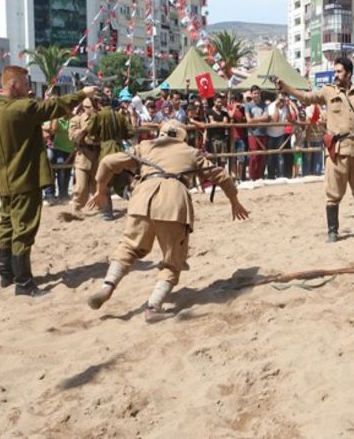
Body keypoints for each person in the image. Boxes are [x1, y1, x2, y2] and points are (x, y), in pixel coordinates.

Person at [85, 120, 249, 322]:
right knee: (173, 259)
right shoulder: (191, 152)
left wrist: (101, 191)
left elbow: (108, 162)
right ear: (182, 136)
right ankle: (153, 306)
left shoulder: (145, 146)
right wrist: (234, 201)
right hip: (173, 201)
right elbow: (221, 176)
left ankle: (107, 286)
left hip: (142, 197)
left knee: (128, 247)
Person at [0, 66, 95, 296]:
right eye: (25, 83)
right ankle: (24, 282)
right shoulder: (23, 108)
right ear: (14, 85)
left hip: (3, 180)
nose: (28, 87)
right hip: (24, 178)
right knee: (24, 229)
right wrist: (83, 93)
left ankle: (6, 274)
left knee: (7, 225)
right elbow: (54, 106)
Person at [277, 56, 354, 242]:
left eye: (339, 71)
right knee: (333, 193)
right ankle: (332, 232)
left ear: (348, 73)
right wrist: (286, 87)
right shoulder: (327, 91)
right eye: (335, 71)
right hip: (336, 150)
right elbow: (306, 98)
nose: (336, 75)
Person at [69, 98, 102, 216]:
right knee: (81, 187)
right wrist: (85, 128)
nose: (92, 110)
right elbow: (73, 137)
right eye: (89, 107)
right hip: (83, 155)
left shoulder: (100, 119)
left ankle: (99, 206)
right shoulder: (76, 120)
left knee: (98, 183)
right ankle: (77, 207)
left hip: (97, 155)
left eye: (94, 107)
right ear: (83, 108)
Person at [245, 86, 269, 180]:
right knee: (254, 156)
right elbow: (248, 119)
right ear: (251, 94)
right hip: (253, 133)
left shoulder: (264, 105)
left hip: (263, 133)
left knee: (262, 156)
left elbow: (266, 117)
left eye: (258, 93)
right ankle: (252, 177)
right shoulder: (248, 105)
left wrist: (254, 119)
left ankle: (260, 176)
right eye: (254, 93)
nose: (256, 95)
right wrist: (260, 119)